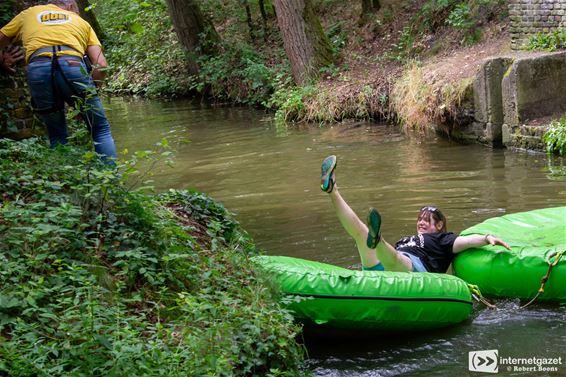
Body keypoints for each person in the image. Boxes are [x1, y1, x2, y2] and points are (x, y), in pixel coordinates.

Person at [320, 155, 511, 273]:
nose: (420, 223)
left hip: (410, 270)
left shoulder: (443, 240)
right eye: (419, 219)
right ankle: (332, 190)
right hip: (382, 265)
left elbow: (466, 241)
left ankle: (378, 240)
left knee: (395, 258)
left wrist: (487, 238)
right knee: (360, 233)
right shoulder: (407, 239)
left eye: (426, 221)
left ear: (439, 226)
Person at [0, 0, 117, 164]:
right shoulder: (81, 22)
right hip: (73, 66)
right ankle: (111, 183)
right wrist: (90, 93)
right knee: (100, 129)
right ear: (70, 6)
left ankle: (64, 182)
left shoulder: (28, 14)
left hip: (38, 69)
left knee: (57, 134)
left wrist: (2, 60)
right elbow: (101, 65)